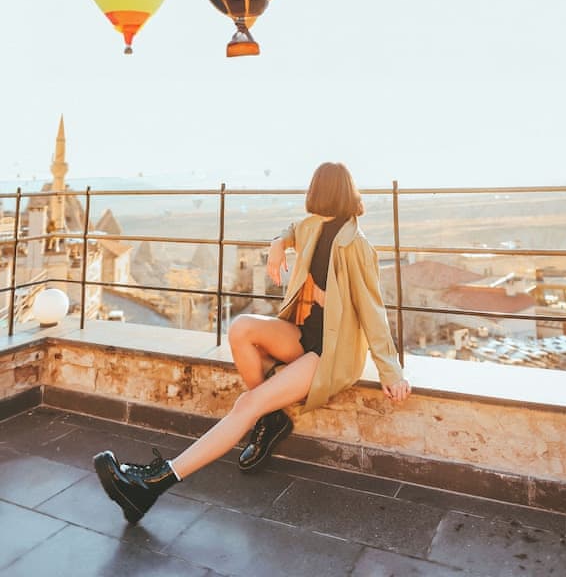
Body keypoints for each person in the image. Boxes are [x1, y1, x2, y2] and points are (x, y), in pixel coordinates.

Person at [93, 161, 411, 524]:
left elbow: (373, 311)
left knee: (246, 403)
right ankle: (271, 419)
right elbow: (292, 230)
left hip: (329, 351)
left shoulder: (356, 246)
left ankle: (152, 484)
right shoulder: (313, 227)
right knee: (241, 328)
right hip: (305, 334)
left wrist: (391, 371)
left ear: (321, 191)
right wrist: (278, 244)